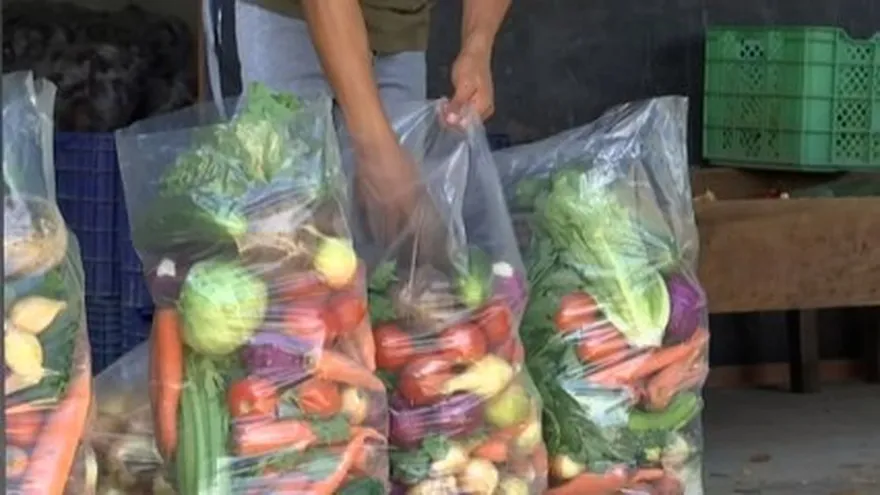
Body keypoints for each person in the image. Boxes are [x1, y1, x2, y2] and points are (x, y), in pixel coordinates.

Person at [214, 0, 511, 239]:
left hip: (401, 23)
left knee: (389, 232)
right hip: (289, 15)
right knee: (284, 230)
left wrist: (477, 45)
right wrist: (377, 148)